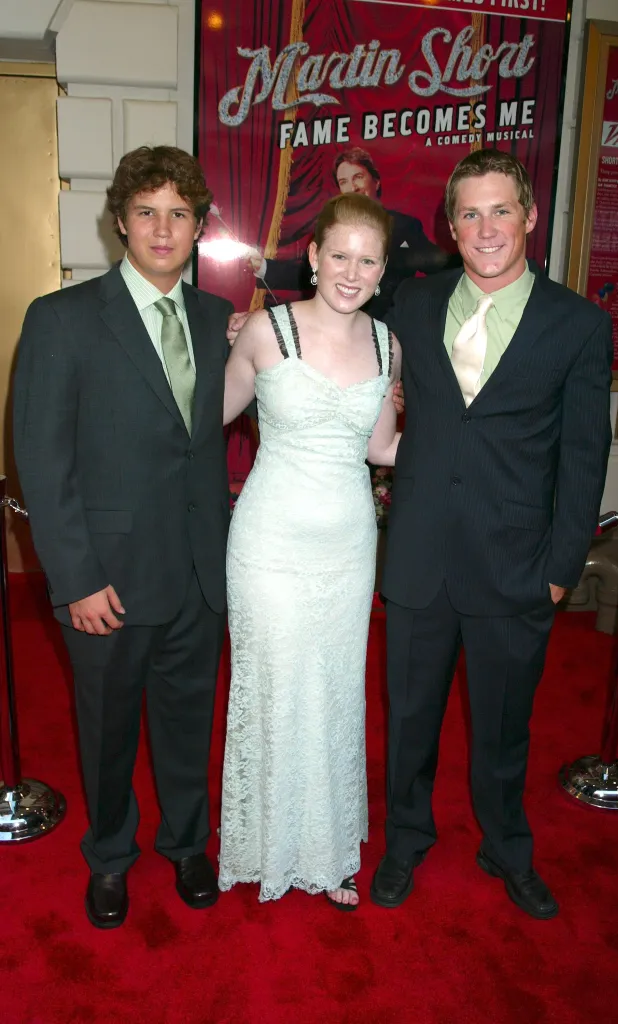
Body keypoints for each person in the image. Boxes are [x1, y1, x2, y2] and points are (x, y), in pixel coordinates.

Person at [370, 149, 613, 919]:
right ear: (448, 222)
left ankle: (505, 845)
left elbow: (583, 456)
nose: (485, 228)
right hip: (416, 559)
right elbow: (336, 337)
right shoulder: (410, 303)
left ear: (530, 216)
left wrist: (559, 568)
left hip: (515, 567)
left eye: (500, 210)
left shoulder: (577, 324)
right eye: (469, 212)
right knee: (408, 721)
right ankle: (405, 839)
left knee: (504, 730)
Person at [13, 146, 237, 929]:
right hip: (104, 577)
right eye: (147, 211)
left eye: (180, 212)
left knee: (187, 721)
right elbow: (40, 459)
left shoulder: (217, 321)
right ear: (120, 222)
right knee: (106, 731)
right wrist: (73, 577)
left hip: (199, 574)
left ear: (200, 225)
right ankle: (110, 855)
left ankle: (185, 844)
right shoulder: (61, 319)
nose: (163, 227)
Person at [218, 193, 401, 909]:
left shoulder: (389, 344)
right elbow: (209, 415)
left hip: (348, 548)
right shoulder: (266, 330)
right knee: (271, 686)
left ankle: (326, 852)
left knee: (331, 691)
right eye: (340, 255)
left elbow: (380, 446)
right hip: (268, 542)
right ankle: (266, 846)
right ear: (314, 257)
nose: (351, 272)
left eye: (368, 259)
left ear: (383, 271)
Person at [247, 146, 459, 317]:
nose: (352, 187)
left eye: (358, 177)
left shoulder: (404, 226)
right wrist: (263, 267)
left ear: (375, 181)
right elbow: (306, 273)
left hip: (388, 329)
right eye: (344, 182)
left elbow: (438, 264)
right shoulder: (333, 226)